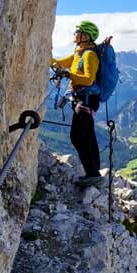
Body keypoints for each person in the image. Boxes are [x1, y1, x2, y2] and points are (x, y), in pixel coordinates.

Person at [51, 21, 103, 187]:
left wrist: (69, 74)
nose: (74, 33)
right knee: (88, 137)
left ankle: (92, 174)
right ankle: (94, 173)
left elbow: (88, 79)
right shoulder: (78, 54)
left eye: (77, 31)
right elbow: (59, 63)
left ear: (85, 36)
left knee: (78, 137)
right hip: (83, 100)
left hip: (86, 100)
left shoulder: (89, 55)